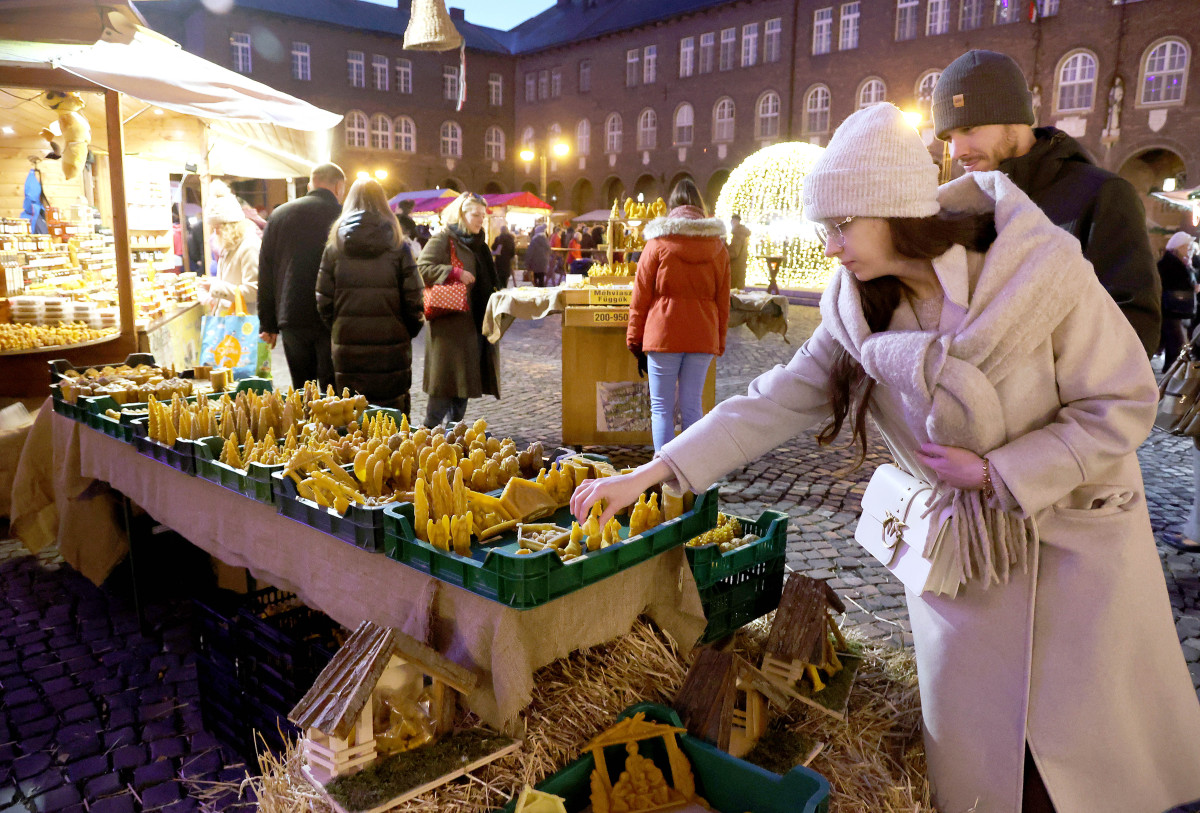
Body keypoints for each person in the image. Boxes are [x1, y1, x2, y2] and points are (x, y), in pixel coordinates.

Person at [573, 103, 1200, 813]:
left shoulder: (1042, 273)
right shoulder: (853, 310)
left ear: (896, 208)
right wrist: (654, 472)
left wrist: (1002, 471)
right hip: (964, 570)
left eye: (842, 225)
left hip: (1075, 551)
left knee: (1083, 765)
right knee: (990, 772)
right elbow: (767, 402)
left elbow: (1121, 400)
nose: (831, 247)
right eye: (824, 227)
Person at [932, 49, 1161, 357]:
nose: (957, 151)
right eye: (948, 137)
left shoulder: (1102, 194)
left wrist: (1046, 386)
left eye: (969, 128)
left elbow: (1134, 327)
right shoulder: (965, 205)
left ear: (1013, 118)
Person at [626, 178, 730, 451]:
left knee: (661, 409)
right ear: (700, 206)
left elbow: (640, 299)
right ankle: (691, 474)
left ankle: (663, 480)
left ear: (671, 206)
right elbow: (723, 302)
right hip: (702, 336)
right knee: (692, 406)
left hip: (664, 335)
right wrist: (718, 342)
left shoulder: (657, 243)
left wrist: (634, 341)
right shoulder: (718, 247)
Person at [315, 178, 424, 414]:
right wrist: (406, 330)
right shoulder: (398, 244)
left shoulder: (335, 246)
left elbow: (323, 301)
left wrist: (340, 327)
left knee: (353, 416)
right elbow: (414, 299)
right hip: (391, 346)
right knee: (393, 420)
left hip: (348, 346)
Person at [417, 191, 508, 427]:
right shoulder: (444, 238)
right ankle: (427, 436)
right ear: (461, 214)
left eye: (483, 215)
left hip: (474, 325)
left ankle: (453, 438)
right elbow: (422, 268)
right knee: (443, 386)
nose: (481, 219)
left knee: (463, 386)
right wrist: (453, 272)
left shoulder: (480, 244)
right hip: (449, 326)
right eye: (475, 215)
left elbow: (490, 279)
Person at [257, 162, 345, 391]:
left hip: (291, 313)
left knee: (302, 389)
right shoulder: (343, 215)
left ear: (309, 185)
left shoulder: (279, 215)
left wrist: (268, 323)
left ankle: (304, 426)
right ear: (339, 186)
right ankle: (330, 428)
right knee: (332, 391)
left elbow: (266, 269)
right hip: (332, 315)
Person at [200, 187, 259, 315]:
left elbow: (254, 291)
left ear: (230, 227)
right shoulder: (231, 246)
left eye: (217, 228)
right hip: (229, 319)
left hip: (243, 323)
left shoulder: (249, 246)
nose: (215, 233)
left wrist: (215, 287)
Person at [1158, 231, 1196, 365]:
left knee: (1177, 350)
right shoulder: (1168, 264)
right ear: (1178, 247)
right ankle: (1172, 381)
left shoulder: (1183, 263)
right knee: (1178, 350)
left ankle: (1171, 379)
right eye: (1187, 247)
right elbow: (1169, 286)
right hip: (1173, 313)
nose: (1189, 250)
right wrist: (1191, 288)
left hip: (1180, 312)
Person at [727, 213, 751, 290]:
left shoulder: (738, 234)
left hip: (735, 268)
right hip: (740, 267)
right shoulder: (742, 234)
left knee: (734, 292)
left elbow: (734, 253)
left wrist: (725, 248)